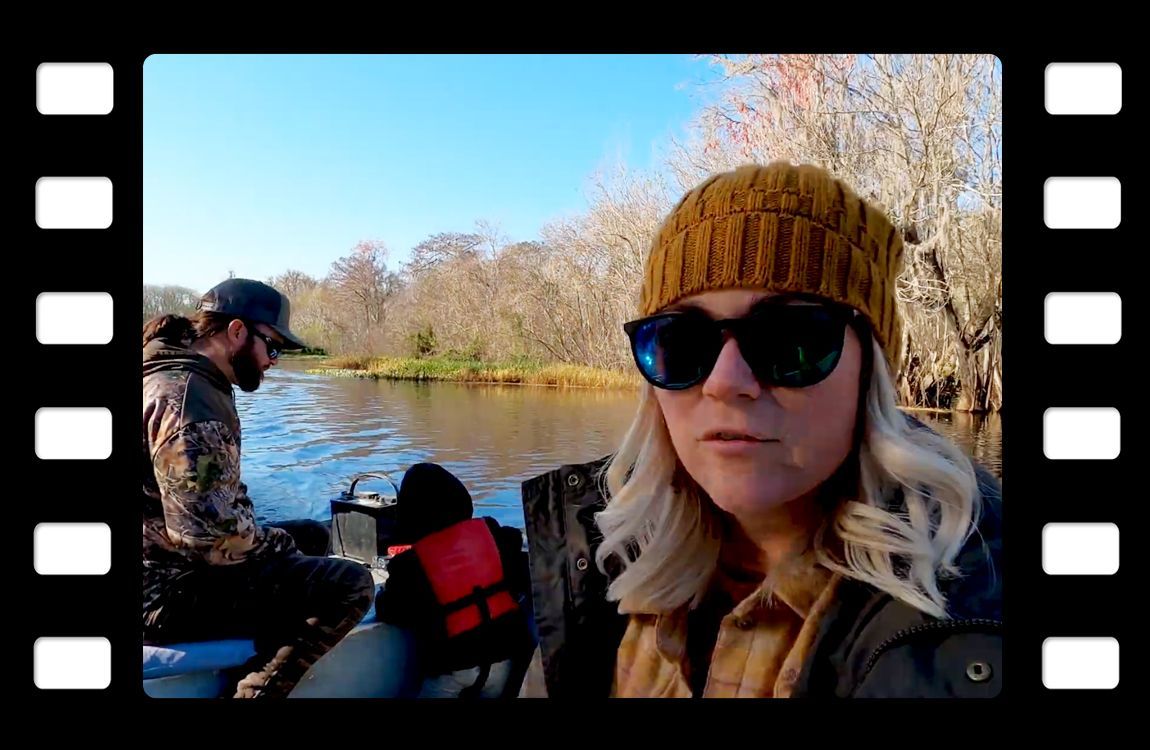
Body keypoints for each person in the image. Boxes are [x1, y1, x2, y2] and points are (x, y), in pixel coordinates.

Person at [517, 162, 1002, 699]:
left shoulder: (966, 629)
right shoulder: (599, 559)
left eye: (791, 340)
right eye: (681, 342)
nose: (725, 383)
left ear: (872, 374)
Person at [142, 277, 375, 699]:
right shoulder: (189, 402)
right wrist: (278, 545)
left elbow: (215, 503)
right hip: (159, 591)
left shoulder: (170, 374)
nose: (274, 361)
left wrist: (281, 543)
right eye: (273, 347)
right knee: (350, 584)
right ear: (236, 332)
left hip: (160, 557)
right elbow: (210, 539)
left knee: (313, 534)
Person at [378, 463, 533, 698]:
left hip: (452, 670)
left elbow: (392, 610)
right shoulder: (494, 533)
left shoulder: (410, 563)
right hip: (506, 658)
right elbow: (521, 568)